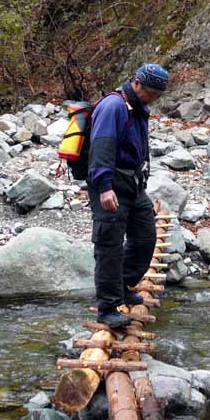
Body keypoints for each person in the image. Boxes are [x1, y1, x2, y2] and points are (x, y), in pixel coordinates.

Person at [87, 63, 169, 328]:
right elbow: (101, 147)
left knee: (145, 237)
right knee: (109, 245)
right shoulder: (114, 106)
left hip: (133, 184)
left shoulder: (138, 107)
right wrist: (104, 186)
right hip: (111, 182)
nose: (152, 99)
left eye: (156, 95)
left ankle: (122, 285)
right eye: (149, 93)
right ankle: (108, 308)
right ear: (136, 83)